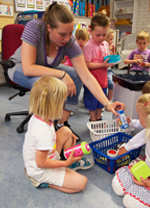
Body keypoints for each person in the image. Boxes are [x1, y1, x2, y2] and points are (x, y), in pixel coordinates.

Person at [8, 3, 125, 136]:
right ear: (49, 28)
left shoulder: (69, 41)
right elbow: (28, 68)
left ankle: (61, 124)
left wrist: (107, 103)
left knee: (76, 75)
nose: (67, 38)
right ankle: (44, 130)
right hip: (19, 66)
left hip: (47, 67)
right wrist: (62, 74)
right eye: (62, 34)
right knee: (48, 85)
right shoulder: (34, 27)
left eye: (70, 33)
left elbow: (86, 75)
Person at [23, 76, 93, 193]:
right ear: (53, 105)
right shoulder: (43, 132)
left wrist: (63, 136)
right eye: (62, 102)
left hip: (40, 158)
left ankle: (66, 163)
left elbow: (46, 140)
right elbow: (41, 162)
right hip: (41, 169)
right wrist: (65, 163)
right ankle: (45, 182)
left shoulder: (40, 116)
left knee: (66, 130)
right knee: (82, 183)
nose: (63, 105)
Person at [83, 12, 113, 121]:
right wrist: (103, 65)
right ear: (90, 31)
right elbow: (86, 64)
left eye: (104, 35)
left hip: (103, 80)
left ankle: (99, 119)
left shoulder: (105, 44)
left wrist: (111, 57)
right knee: (92, 104)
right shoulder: (88, 46)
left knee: (101, 102)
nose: (101, 38)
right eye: (98, 35)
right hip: (92, 82)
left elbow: (105, 58)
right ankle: (93, 120)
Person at [106, 29, 116, 101]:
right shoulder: (103, 47)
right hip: (102, 70)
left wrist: (113, 51)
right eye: (111, 39)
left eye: (112, 39)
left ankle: (109, 100)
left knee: (112, 84)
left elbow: (113, 58)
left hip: (109, 70)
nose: (112, 41)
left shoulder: (112, 47)